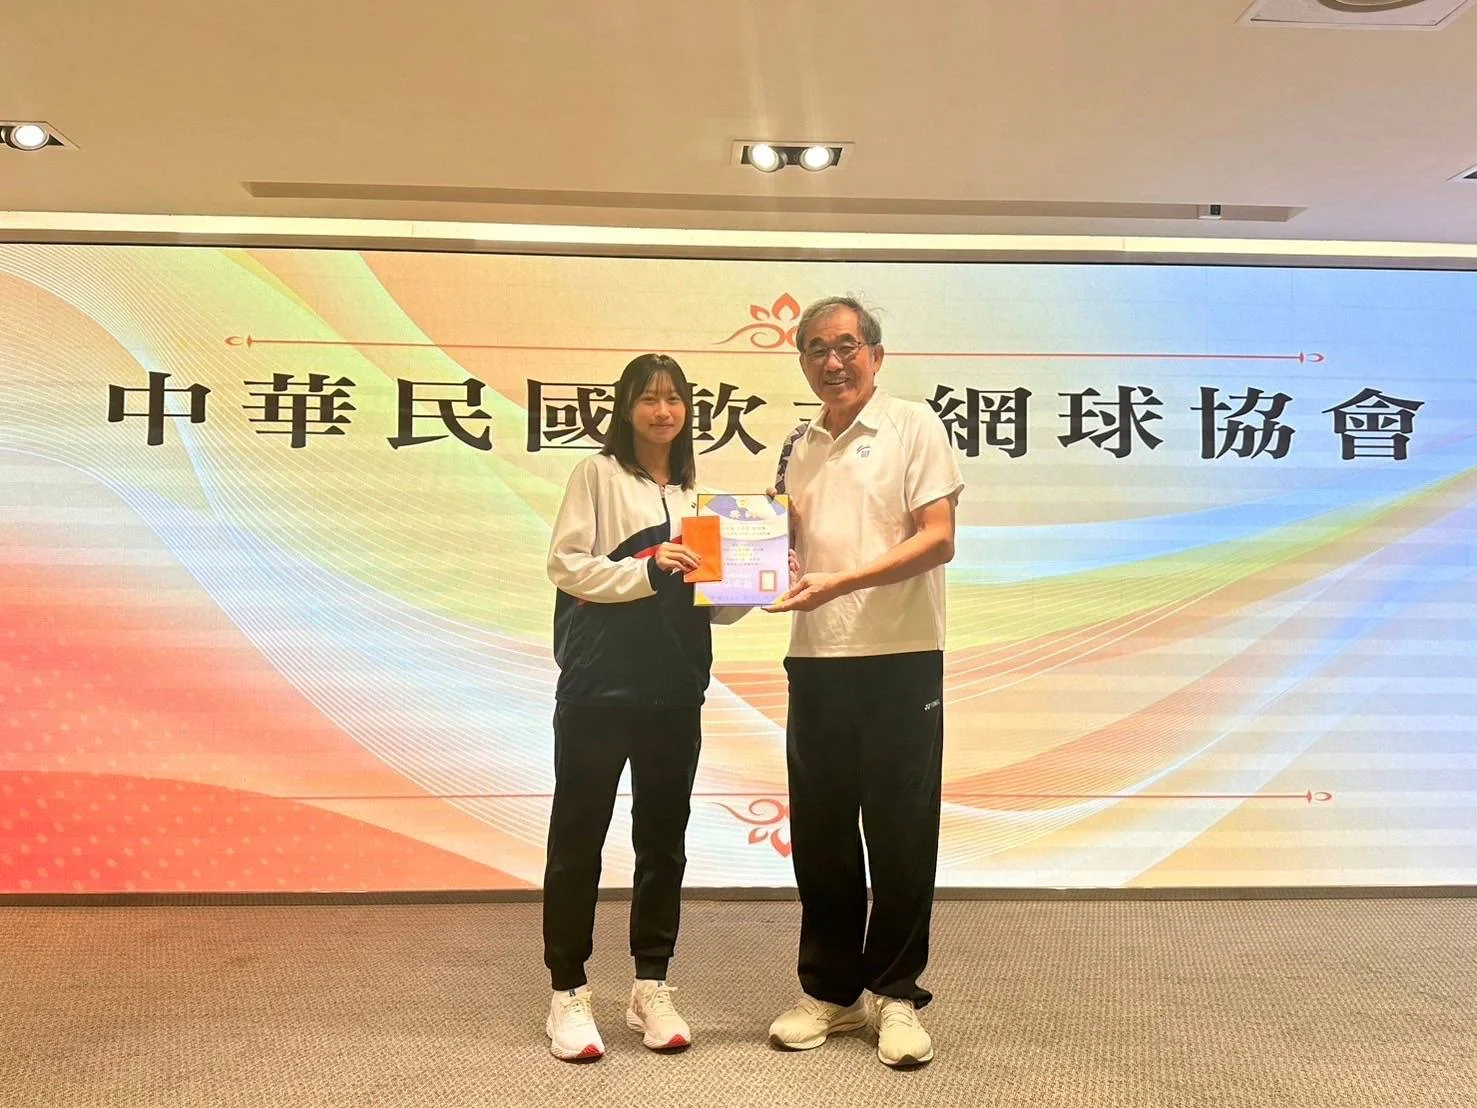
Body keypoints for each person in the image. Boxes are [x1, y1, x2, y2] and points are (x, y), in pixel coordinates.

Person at [765, 297, 964, 1068]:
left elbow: (937, 539)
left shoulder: (913, 425)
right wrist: (742, 562)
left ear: (875, 356)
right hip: (815, 658)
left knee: (899, 833)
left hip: (899, 656)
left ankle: (897, 994)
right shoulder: (798, 443)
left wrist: (840, 583)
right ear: (802, 363)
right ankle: (831, 993)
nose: (832, 362)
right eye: (816, 349)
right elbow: (782, 543)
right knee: (820, 836)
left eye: (846, 346)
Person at [542, 352, 738, 1061]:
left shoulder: (699, 497)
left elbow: (712, 606)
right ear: (625, 408)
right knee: (578, 840)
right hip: (597, 688)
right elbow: (567, 565)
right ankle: (567, 991)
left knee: (663, 842)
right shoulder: (595, 475)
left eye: (674, 398)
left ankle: (650, 985)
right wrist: (647, 568)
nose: (663, 411)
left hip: (675, 692)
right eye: (648, 398)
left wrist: (752, 582)